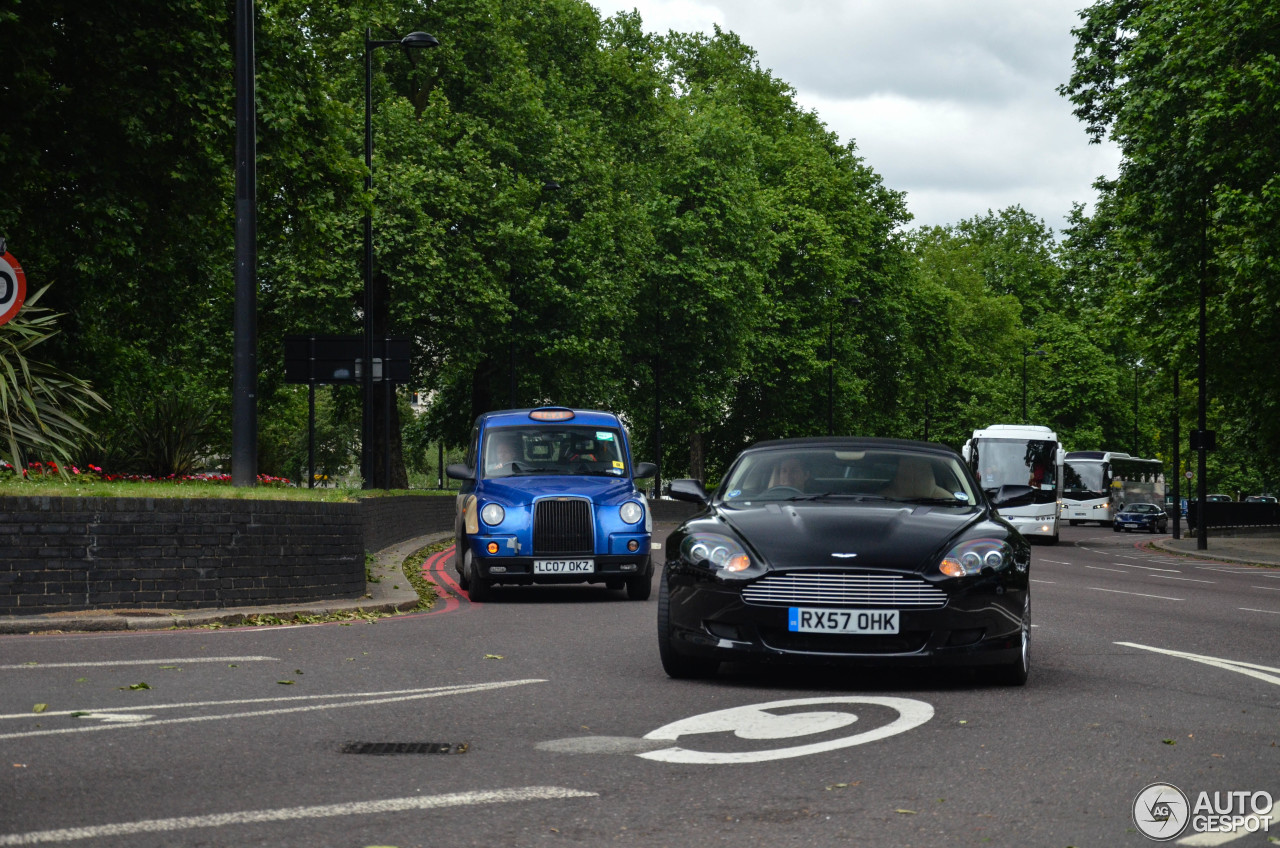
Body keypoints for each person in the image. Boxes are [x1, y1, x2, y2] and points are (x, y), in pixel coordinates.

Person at [881, 455, 953, 500]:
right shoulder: (948, 498)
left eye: (921, 470)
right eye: (908, 468)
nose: (913, 474)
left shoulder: (881, 498)